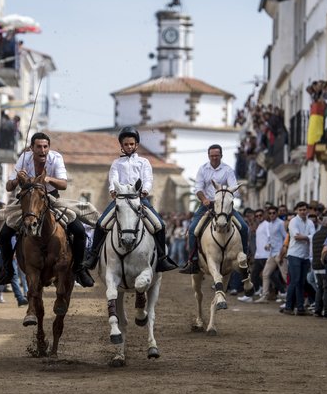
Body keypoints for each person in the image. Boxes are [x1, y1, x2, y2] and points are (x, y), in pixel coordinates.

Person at [0, 132, 94, 287]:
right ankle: (7, 270)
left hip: (51, 199)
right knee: (4, 234)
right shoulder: (24, 158)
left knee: (79, 230)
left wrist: (49, 179)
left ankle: (79, 268)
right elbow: (8, 186)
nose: (42, 150)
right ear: (32, 148)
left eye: (45, 146)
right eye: (38, 147)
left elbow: (64, 185)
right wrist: (17, 179)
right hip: (27, 202)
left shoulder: (56, 158)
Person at [82, 127, 178, 273]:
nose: (129, 147)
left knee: (160, 224)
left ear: (136, 145)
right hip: (120, 200)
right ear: (121, 146)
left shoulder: (144, 162)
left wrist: (145, 190)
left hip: (138, 199)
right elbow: (113, 178)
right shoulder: (116, 163)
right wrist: (112, 190)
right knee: (101, 223)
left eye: (131, 144)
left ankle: (162, 259)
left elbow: (148, 179)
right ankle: (93, 256)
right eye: (126, 144)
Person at [180, 144, 249, 274]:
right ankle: (193, 261)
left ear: (221, 156)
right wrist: (204, 199)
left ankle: (244, 258)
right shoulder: (203, 169)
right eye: (212, 156)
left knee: (244, 227)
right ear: (208, 156)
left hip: (224, 206)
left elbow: (233, 186)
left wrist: (226, 195)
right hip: (206, 205)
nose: (214, 158)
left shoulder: (228, 170)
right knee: (193, 229)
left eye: (217, 155)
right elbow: (198, 189)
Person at [283, 202, 315, 315]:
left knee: (301, 282)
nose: (303, 211)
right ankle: (288, 307)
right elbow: (296, 237)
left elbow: (313, 236)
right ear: (297, 210)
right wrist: (309, 237)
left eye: (304, 209)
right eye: (300, 210)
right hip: (294, 255)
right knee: (295, 281)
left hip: (305, 256)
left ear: (307, 210)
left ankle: (300, 308)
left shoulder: (310, 222)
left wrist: (306, 237)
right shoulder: (293, 221)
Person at [255, 205, 287, 303]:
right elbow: (272, 238)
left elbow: (286, 237)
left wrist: (282, 253)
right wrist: (268, 244)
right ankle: (264, 296)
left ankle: (290, 297)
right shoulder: (270, 224)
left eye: (274, 213)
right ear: (268, 214)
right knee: (265, 274)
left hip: (280, 253)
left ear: (277, 213)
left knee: (286, 276)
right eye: (270, 213)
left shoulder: (281, 223)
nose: (272, 215)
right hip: (272, 253)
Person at [311, 216, 327, 317]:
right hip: (325, 265)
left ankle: (317, 310)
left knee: (320, 288)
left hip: (316, 266)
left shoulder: (316, 234)